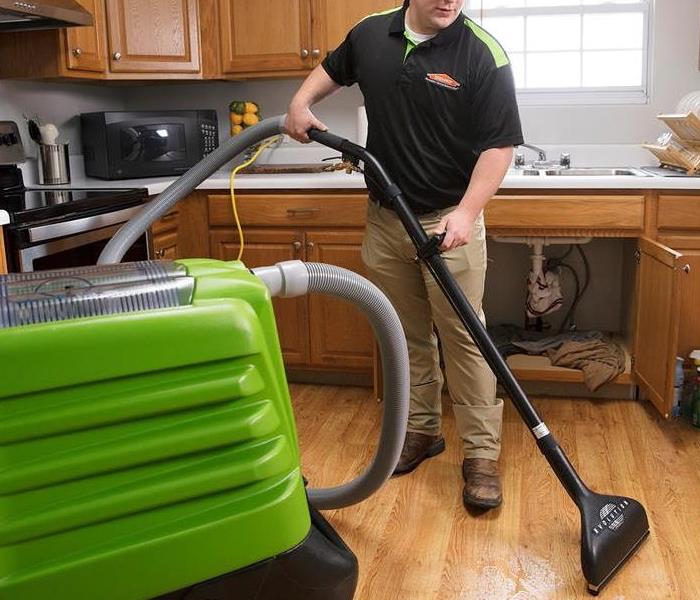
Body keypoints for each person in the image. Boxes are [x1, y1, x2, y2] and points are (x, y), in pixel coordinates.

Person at [285, 0, 523, 510]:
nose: (450, 2)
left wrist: (465, 212)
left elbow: (499, 147)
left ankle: (481, 454)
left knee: (464, 336)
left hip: (447, 222)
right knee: (404, 332)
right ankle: (422, 431)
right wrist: (300, 103)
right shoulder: (371, 34)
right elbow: (331, 68)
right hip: (387, 217)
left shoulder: (483, 53)